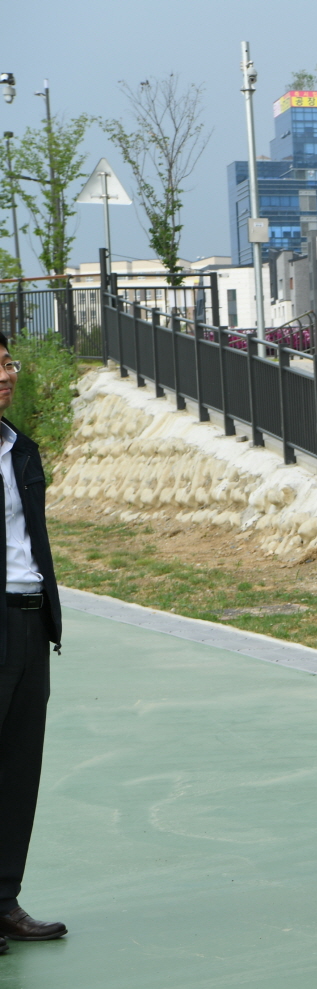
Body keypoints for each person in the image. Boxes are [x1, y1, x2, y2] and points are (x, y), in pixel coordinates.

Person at [0, 334, 66, 953]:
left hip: (27, 618)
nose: (4, 374)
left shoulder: (23, 448)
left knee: (20, 766)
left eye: (5, 362)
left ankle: (4, 900)